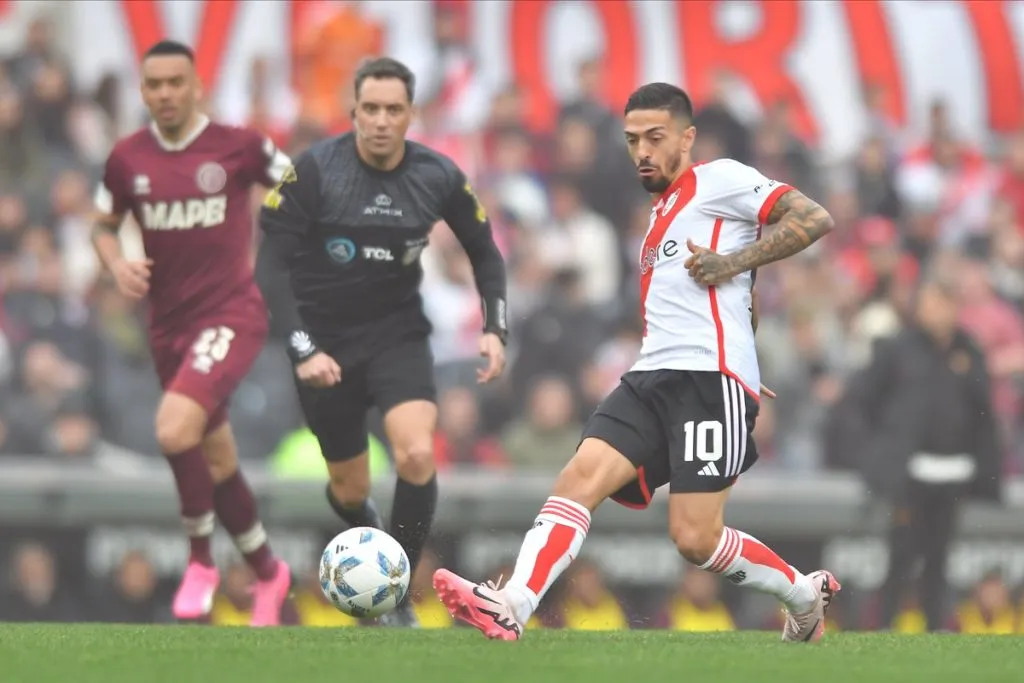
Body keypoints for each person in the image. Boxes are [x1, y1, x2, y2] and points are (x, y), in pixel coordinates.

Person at [433, 82, 838, 642]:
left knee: (695, 538)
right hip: (649, 374)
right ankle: (514, 603)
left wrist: (734, 271)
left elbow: (814, 218)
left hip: (707, 377)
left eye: (655, 137)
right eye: (632, 141)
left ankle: (803, 594)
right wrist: (742, 312)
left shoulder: (719, 178)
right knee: (579, 477)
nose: (642, 151)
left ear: (687, 137)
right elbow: (742, 291)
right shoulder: (657, 215)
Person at [257, 57, 507, 627]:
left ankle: (393, 593)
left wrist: (495, 327)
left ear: (411, 115)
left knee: (416, 452)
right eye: (370, 108)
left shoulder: (437, 175)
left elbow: (485, 250)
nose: (381, 120)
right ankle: (365, 530)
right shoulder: (314, 172)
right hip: (324, 342)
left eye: (393, 110)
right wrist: (302, 347)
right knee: (348, 487)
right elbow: (270, 267)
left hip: (397, 334)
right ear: (354, 113)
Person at [91, 40, 292, 625]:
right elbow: (102, 225)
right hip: (167, 329)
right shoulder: (127, 158)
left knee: (174, 429)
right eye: (153, 85)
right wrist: (116, 262)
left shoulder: (239, 146)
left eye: (175, 82)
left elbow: (302, 184)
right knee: (217, 458)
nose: (165, 94)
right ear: (143, 91)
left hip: (232, 314)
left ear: (196, 85)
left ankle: (201, 561)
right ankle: (267, 572)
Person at [829, 275, 1002, 631]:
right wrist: (876, 454)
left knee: (939, 559)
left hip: (954, 471)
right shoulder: (898, 350)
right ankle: (887, 626)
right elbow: (861, 401)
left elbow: (984, 412)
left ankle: (935, 627)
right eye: (924, 304)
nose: (928, 312)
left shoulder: (968, 351)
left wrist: (987, 468)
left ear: (952, 307)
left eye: (936, 303)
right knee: (901, 555)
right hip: (909, 472)